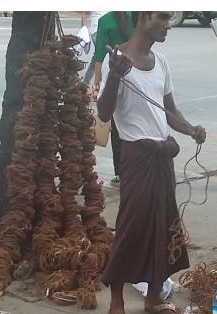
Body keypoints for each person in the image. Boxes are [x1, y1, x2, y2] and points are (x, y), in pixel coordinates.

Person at [97, 11, 206, 314]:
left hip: (163, 155)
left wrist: (190, 129)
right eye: (163, 18)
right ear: (144, 16)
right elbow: (103, 113)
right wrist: (115, 76)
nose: (168, 25)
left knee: (163, 224)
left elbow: (168, 110)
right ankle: (115, 304)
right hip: (137, 155)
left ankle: (155, 295)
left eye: (170, 19)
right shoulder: (116, 62)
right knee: (132, 226)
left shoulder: (161, 62)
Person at [90, 11, 134, 187]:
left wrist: (96, 85)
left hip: (115, 75)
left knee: (117, 128)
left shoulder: (105, 21)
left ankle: (121, 174)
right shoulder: (135, 16)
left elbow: (99, 56)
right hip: (137, 72)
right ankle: (133, 170)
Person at [80, 11, 106, 85]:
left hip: (109, 29)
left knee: (97, 58)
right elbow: (84, 12)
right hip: (97, 30)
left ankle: (85, 84)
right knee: (101, 58)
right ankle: (98, 86)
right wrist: (84, 29)